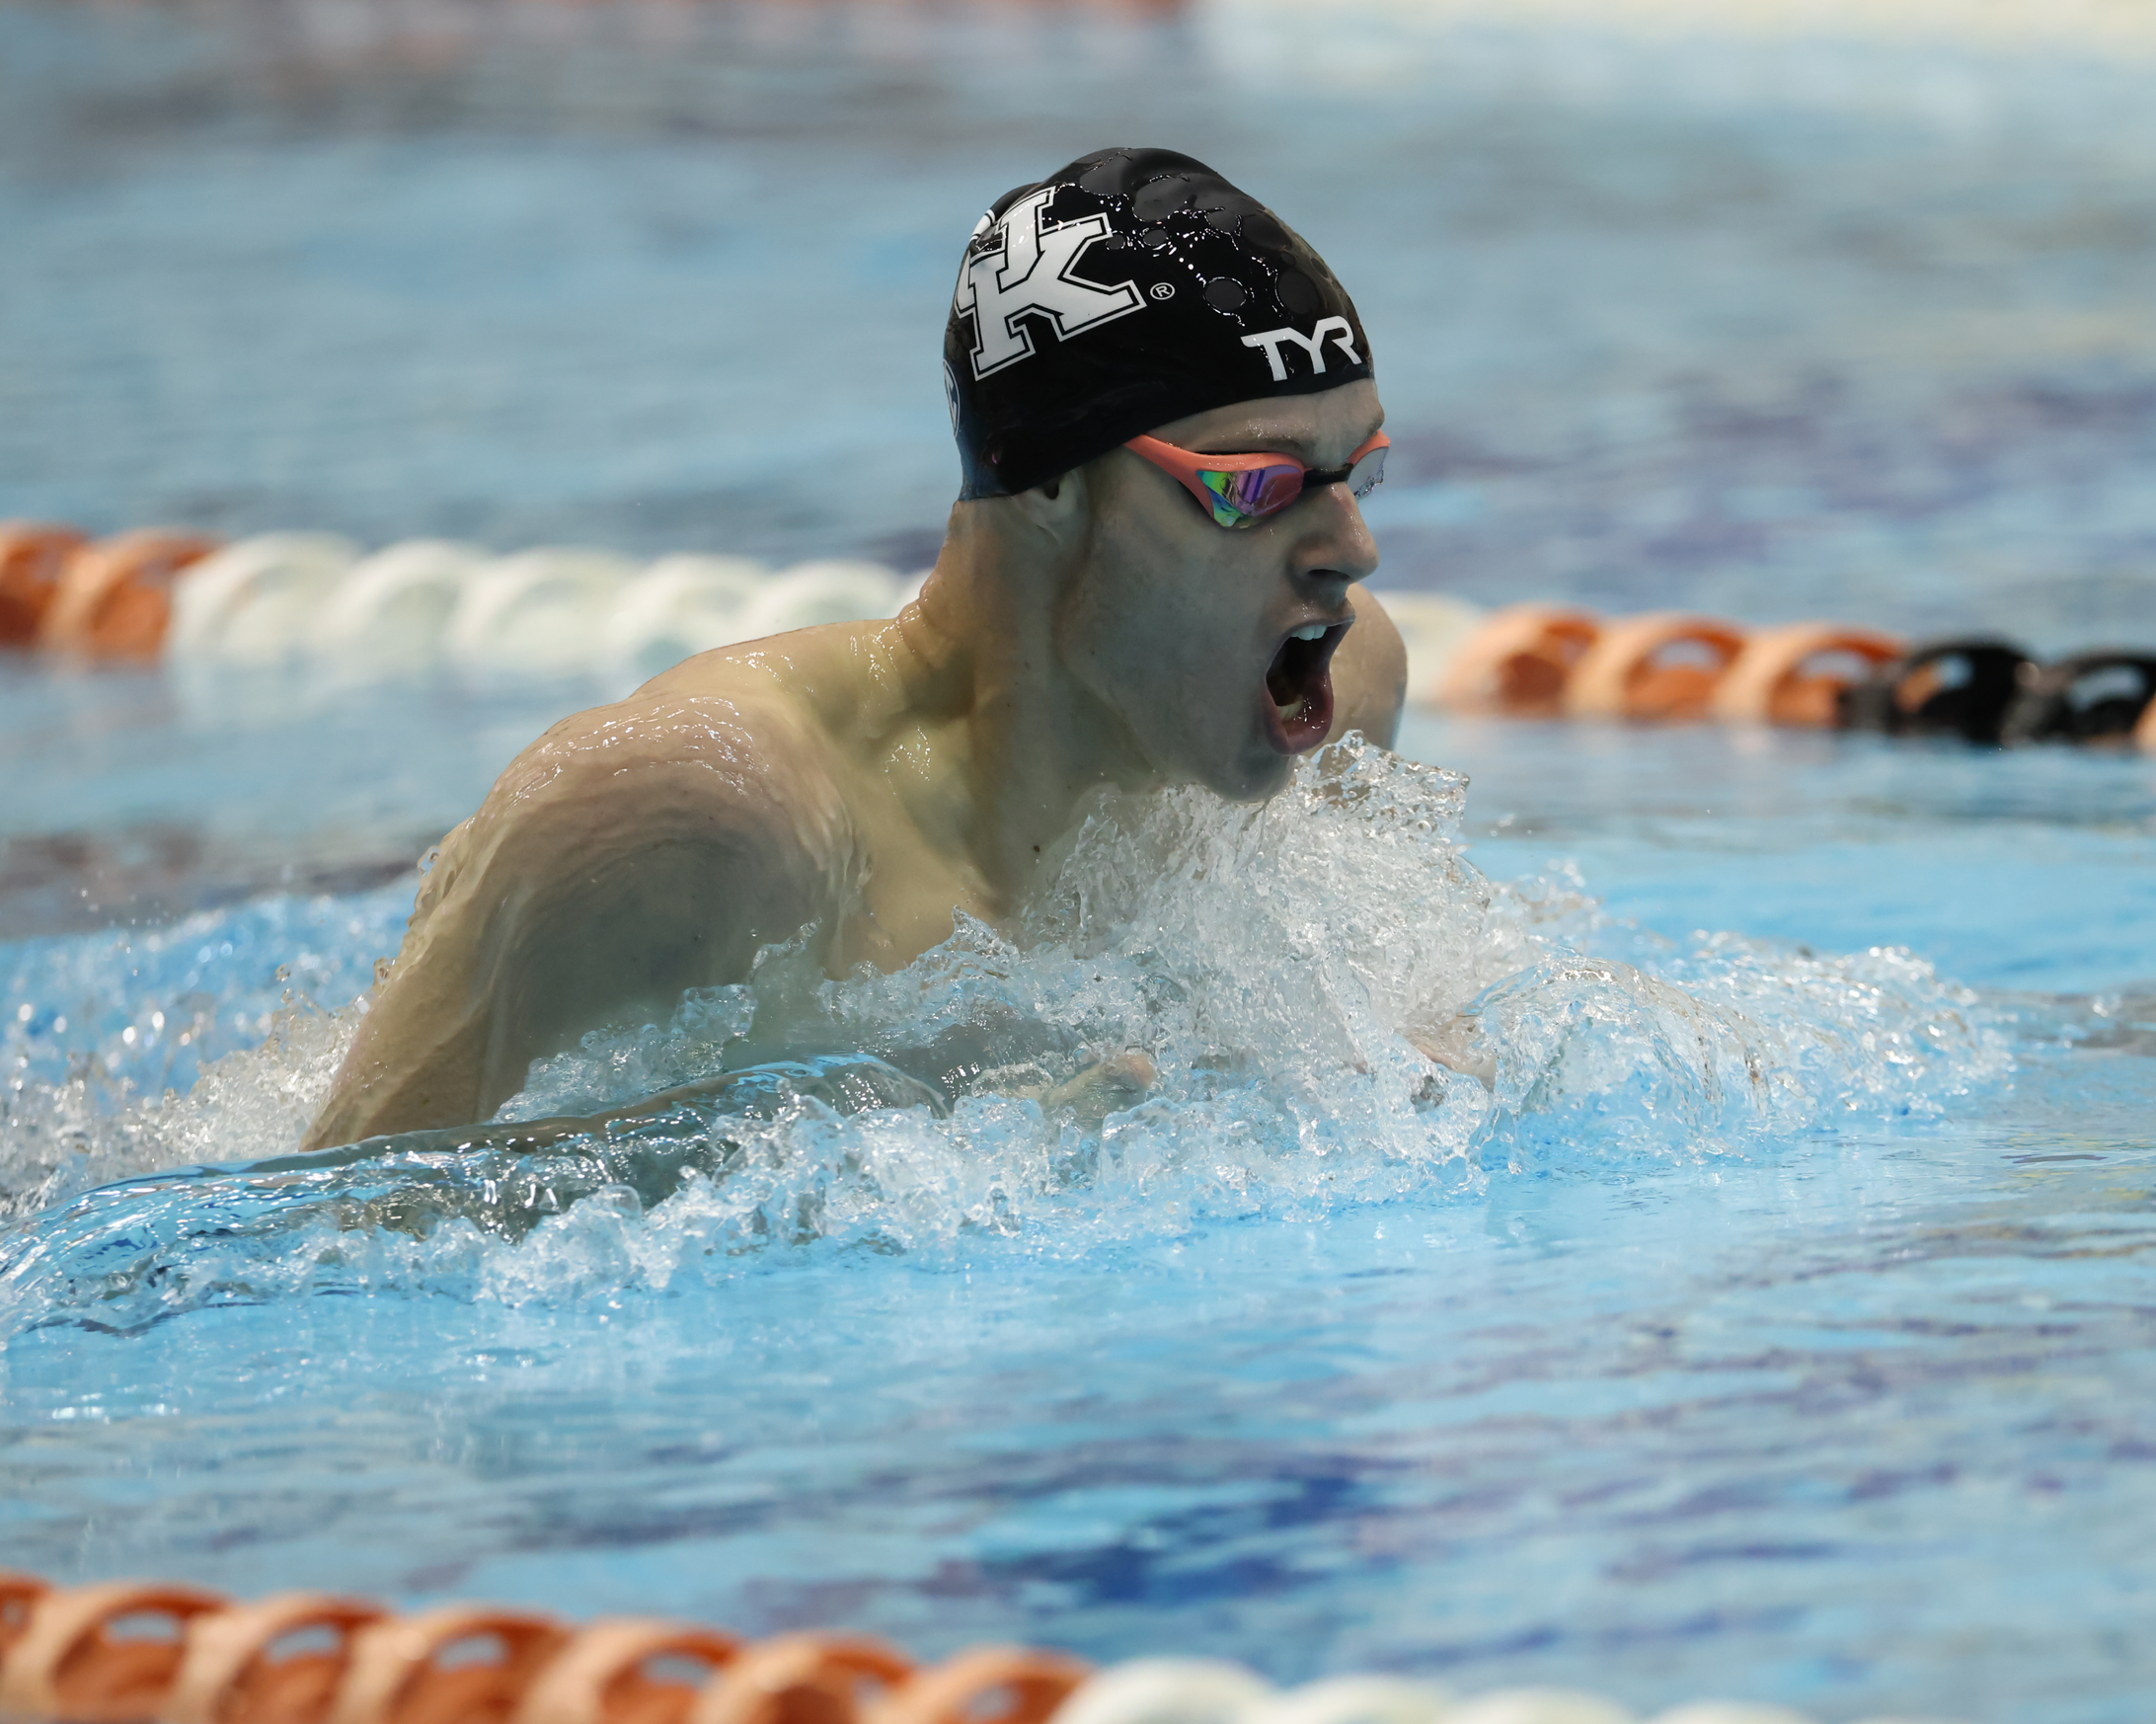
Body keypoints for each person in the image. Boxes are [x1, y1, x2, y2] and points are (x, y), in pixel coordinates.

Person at [304, 147, 1405, 1149]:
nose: (1348, 549)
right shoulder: (699, 822)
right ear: (1051, 484)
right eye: (1253, 487)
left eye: (1356, 473)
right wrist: (856, 1139)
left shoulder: (1340, 694)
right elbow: (316, 1229)